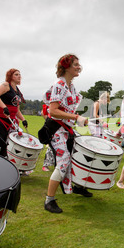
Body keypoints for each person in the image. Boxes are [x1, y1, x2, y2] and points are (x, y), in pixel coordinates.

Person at [44, 54, 90, 213]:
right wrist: (76, 117)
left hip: (66, 127)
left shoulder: (71, 86)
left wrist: (78, 118)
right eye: (75, 64)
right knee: (63, 161)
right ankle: (49, 200)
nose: (79, 67)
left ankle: (76, 186)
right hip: (56, 129)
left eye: (79, 64)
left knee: (78, 154)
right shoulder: (59, 85)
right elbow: (53, 111)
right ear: (66, 67)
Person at [0, 69, 27, 157]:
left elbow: (17, 110)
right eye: (16, 74)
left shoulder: (18, 92)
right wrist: (4, 107)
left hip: (9, 121)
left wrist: (23, 119)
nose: (19, 76)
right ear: (10, 76)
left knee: (9, 147)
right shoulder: (5, 85)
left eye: (20, 74)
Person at [41, 87, 55, 172]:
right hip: (51, 127)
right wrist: (48, 121)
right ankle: (45, 165)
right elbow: (43, 113)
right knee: (51, 146)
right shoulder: (49, 103)